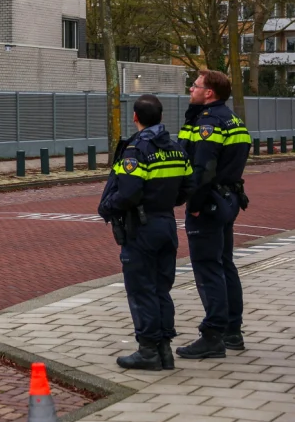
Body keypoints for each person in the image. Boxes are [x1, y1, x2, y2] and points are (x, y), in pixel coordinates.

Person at [98, 95, 192, 371]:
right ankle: (164, 350)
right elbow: (188, 186)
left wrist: (106, 207)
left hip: (141, 228)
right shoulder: (176, 148)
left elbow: (128, 193)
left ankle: (148, 351)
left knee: (141, 290)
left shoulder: (136, 150)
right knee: (162, 288)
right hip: (166, 225)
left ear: (135, 118)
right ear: (161, 117)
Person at [176, 70, 251, 359]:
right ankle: (233, 331)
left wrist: (193, 202)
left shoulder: (208, 123)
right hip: (227, 200)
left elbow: (202, 169)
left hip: (208, 203)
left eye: (195, 86)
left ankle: (213, 335)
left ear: (209, 93)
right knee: (224, 264)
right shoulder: (232, 119)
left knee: (208, 268)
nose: (190, 90)